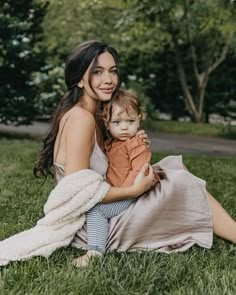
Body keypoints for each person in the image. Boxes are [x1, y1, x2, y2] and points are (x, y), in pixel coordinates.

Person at [1, 40, 236, 267]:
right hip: (93, 224)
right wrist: (135, 190)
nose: (108, 80)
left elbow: (113, 161)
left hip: (105, 204)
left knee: (172, 165)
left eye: (112, 71)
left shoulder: (91, 114)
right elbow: (78, 194)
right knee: (180, 182)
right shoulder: (81, 119)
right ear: (80, 80)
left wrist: (134, 142)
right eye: (97, 72)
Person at [76, 88, 160, 267]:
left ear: (139, 120)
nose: (124, 127)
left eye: (130, 121)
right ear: (106, 124)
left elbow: (138, 173)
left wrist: (122, 192)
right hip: (121, 190)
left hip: (132, 192)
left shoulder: (137, 145)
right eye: (117, 122)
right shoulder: (111, 143)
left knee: (96, 210)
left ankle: (94, 252)